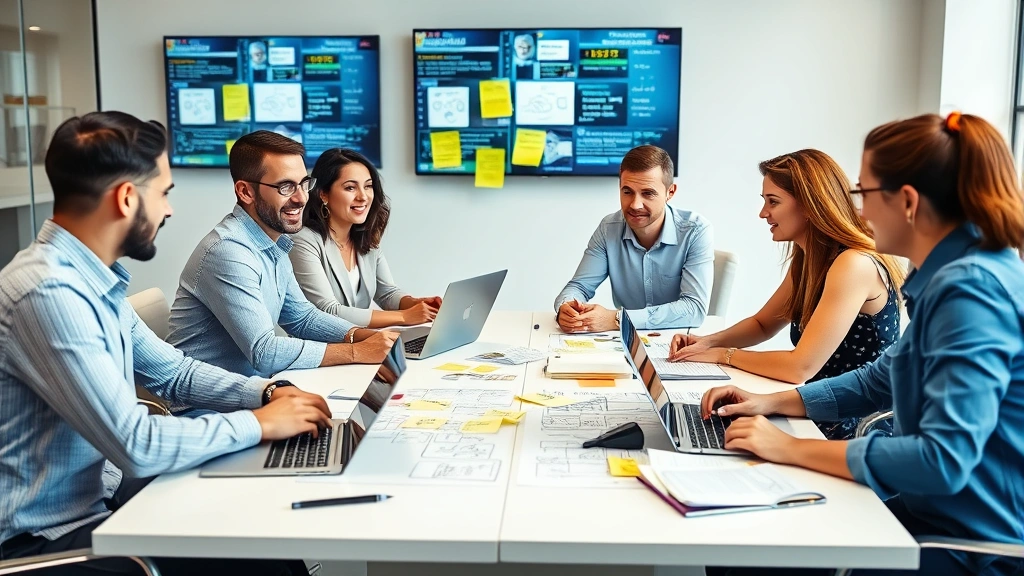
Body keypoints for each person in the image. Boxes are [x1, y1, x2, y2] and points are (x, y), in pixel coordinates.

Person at [0, 111, 326, 575]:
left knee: (262, 537)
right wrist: (260, 424)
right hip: (42, 540)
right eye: (165, 194)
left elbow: (173, 373)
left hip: (99, 500)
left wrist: (266, 394)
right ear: (127, 198)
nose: (169, 210)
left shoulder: (92, 281)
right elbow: (136, 443)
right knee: (260, 560)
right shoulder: (48, 293)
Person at [703, 113, 1024, 576]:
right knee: (743, 546)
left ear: (908, 202)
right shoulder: (950, 276)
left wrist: (788, 448)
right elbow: (880, 380)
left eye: (864, 192)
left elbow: (941, 460)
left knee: (748, 556)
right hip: (933, 517)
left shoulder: (971, 291)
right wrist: (766, 402)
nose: (860, 209)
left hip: (971, 546)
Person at [668, 149, 905, 440]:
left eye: (773, 202)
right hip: (815, 405)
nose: (763, 213)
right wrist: (706, 342)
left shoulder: (853, 264)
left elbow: (799, 367)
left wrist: (723, 355)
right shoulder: (810, 257)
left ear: (808, 206)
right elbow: (763, 324)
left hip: (851, 426)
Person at [168, 131, 397, 379]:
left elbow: (302, 318)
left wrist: (364, 336)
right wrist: (356, 352)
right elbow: (264, 351)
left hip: (255, 390)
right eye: (286, 187)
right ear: (245, 192)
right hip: (208, 407)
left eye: (303, 184)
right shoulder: (228, 252)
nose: (301, 198)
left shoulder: (275, 243)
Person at [554, 144, 714, 331]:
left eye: (648, 193)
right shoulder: (608, 229)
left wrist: (617, 319)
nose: (635, 204)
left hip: (678, 341)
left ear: (670, 192)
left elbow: (694, 309)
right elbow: (579, 287)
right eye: (627, 192)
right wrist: (566, 308)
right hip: (625, 344)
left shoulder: (696, 231)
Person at [291, 148, 443, 327]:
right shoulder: (303, 240)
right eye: (350, 187)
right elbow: (328, 310)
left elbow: (386, 293)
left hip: (361, 345)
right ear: (323, 194)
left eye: (368, 186)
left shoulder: (364, 238)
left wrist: (417, 304)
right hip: (322, 350)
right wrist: (405, 317)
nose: (363, 197)